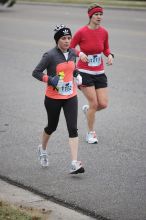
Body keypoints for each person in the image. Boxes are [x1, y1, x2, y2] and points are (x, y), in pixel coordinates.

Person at [32, 24, 85, 174]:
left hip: (71, 96)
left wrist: (77, 75)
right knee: (52, 127)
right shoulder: (49, 55)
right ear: (57, 40)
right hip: (53, 98)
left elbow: (72, 68)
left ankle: (74, 163)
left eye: (69, 38)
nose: (67, 41)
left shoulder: (73, 52)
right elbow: (35, 72)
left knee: (73, 128)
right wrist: (49, 79)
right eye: (63, 38)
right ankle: (42, 149)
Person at [70, 3, 114, 144]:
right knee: (94, 104)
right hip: (84, 72)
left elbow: (105, 48)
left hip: (99, 72)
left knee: (103, 104)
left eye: (101, 14)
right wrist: (80, 53)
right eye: (96, 14)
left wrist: (110, 55)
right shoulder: (82, 32)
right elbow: (70, 48)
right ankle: (90, 133)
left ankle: (88, 110)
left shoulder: (104, 32)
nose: (99, 17)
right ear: (90, 16)